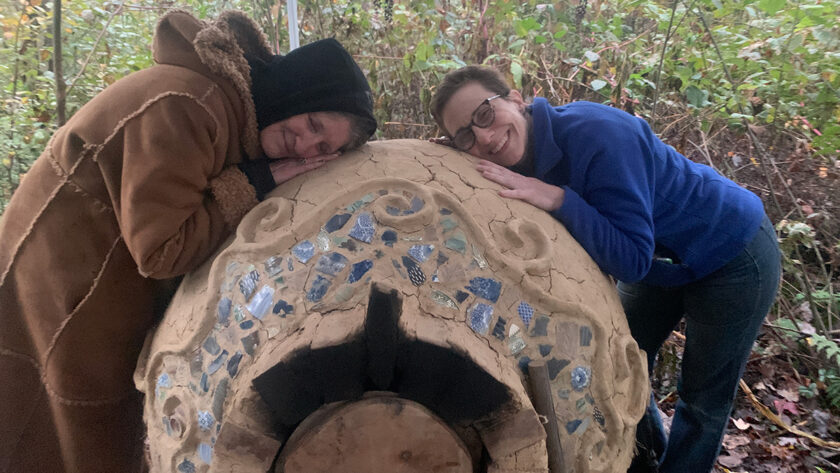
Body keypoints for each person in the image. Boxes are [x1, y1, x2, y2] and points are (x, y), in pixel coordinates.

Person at [0, 9, 376, 473]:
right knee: (65, 434)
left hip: (93, 276)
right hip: (65, 285)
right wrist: (252, 182)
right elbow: (162, 251)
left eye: (322, 149)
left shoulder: (231, 111)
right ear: (298, 92)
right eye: (314, 125)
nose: (305, 146)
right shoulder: (187, 106)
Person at [430, 65, 780, 473]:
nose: (485, 137)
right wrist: (451, 151)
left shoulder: (599, 133)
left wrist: (561, 198)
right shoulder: (512, 152)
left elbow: (630, 258)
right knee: (619, 362)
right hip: (664, 263)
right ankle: (646, 459)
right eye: (467, 135)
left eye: (486, 115)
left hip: (733, 249)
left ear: (516, 98)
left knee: (702, 400)